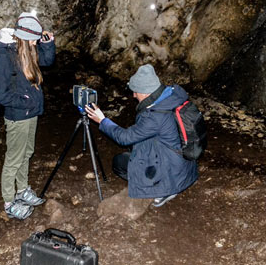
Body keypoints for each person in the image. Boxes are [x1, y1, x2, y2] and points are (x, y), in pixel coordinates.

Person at [85, 64, 198, 207]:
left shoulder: (156, 115)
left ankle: (163, 190)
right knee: (137, 150)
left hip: (173, 172)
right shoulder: (171, 97)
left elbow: (124, 138)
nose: (133, 95)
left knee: (120, 162)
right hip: (185, 166)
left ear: (145, 93)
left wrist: (102, 120)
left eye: (135, 92)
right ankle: (168, 183)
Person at [0, 12, 56, 220]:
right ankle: (9, 202)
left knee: (27, 153)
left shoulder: (27, 49)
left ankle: (22, 190)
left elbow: (47, 61)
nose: (36, 41)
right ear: (24, 36)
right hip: (18, 115)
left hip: (30, 113)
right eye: (34, 38)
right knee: (14, 159)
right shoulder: (4, 56)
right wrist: (25, 100)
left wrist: (48, 43)